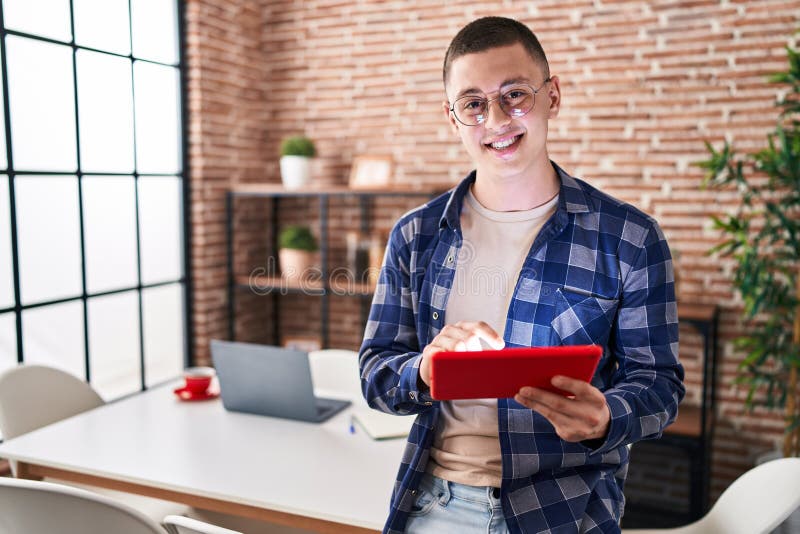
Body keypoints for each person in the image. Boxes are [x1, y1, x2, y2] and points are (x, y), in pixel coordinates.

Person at [359, 16, 684, 534]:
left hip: (564, 511)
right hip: (432, 504)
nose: (496, 119)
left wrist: (607, 417)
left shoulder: (631, 238)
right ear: (453, 118)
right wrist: (424, 368)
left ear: (552, 96)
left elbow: (660, 385)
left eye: (515, 94)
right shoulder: (415, 236)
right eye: (473, 104)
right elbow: (375, 372)